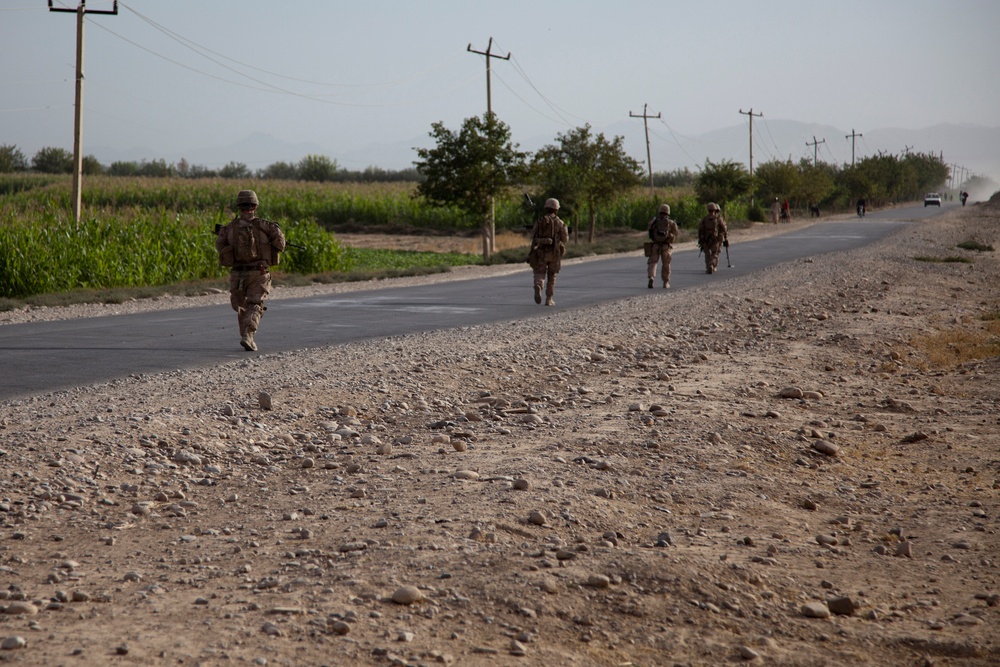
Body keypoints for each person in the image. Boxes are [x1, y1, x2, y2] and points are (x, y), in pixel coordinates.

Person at [215, 189, 286, 351]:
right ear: (255, 205)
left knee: (241, 306)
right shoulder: (267, 226)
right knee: (255, 304)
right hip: (259, 272)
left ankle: (246, 335)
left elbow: (220, 246)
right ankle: (248, 335)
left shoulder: (228, 228)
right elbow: (280, 245)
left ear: (239, 206)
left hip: (237, 273)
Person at [527, 198, 569, 306]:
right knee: (552, 275)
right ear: (556, 209)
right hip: (554, 253)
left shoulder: (540, 221)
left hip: (541, 252)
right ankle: (549, 299)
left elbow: (533, 235)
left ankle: (539, 285)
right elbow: (565, 239)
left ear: (546, 208)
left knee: (539, 272)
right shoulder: (560, 223)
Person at [646, 203, 679, 289]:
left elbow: (649, 229)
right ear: (668, 212)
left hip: (655, 246)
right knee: (666, 264)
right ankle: (666, 282)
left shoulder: (654, 221)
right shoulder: (671, 222)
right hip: (666, 246)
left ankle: (651, 277)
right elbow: (676, 233)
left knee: (652, 262)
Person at [697, 202, 728, 274]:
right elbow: (724, 228)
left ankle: (708, 267)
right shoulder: (718, 219)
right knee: (715, 254)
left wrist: (701, 239)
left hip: (706, 239)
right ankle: (712, 264)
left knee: (707, 253)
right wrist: (724, 236)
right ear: (715, 209)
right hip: (715, 239)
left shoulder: (704, 219)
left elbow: (699, 229)